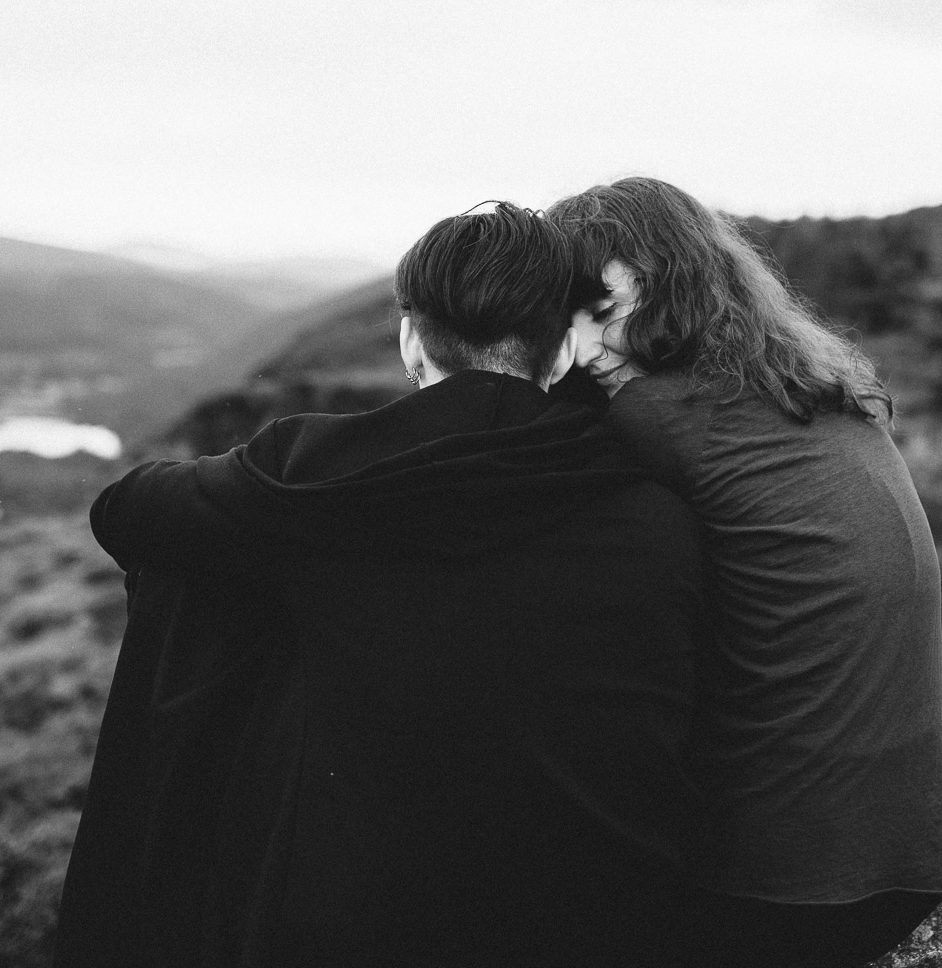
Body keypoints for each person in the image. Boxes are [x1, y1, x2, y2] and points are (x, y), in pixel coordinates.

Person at [54, 203, 706, 968]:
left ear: (410, 337)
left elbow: (125, 510)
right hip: (602, 923)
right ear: (562, 351)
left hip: (360, 925)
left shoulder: (312, 479)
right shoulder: (656, 514)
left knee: (200, 572)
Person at [545, 177, 942, 968]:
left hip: (788, 891)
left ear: (669, 279)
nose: (584, 346)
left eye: (603, 311)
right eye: (562, 320)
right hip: (910, 856)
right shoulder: (798, 383)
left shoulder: (659, 414)